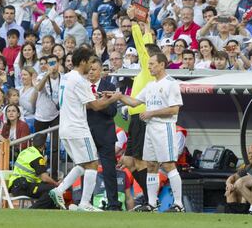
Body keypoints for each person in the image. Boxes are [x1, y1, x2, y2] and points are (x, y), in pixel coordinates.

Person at [49, 48, 120, 211]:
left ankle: (59, 190)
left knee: (83, 164)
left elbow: (85, 102)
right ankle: (85, 203)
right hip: (78, 128)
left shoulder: (66, 77)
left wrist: (97, 98)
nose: (90, 65)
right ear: (82, 62)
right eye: (89, 62)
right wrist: (113, 98)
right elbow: (95, 106)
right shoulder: (80, 80)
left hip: (65, 128)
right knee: (93, 163)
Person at [115, 53, 184, 212]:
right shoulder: (150, 85)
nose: (149, 67)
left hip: (164, 128)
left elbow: (174, 109)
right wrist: (118, 96)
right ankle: (152, 203)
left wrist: (151, 113)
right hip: (151, 129)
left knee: (168, 164)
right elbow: (134, 102)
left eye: (152, 64)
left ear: (162, 64)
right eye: (149, 64)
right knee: (151, 165)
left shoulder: (171, 84)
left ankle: (179, 204)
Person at [87, 58, 121, 210]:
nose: (91, 72)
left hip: (105, 135)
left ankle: (114, 204)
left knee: (109, 171)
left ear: (101, 70)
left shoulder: (110, 86)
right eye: (89, 69)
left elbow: (113, 111)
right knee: (87, 169)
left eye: (94, 69)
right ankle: (85, 202)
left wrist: (100, 103)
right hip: (86, 133)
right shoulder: (82, 86)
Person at [8, 133, 59, 209]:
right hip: (23, 187)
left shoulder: (25, 151)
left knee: (49, 191)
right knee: (53, 190)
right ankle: (32, 210)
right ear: (44, 145)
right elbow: (44, 178)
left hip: (16, 185)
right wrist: (56, 183)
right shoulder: (36, 157)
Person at [33, 55, 61, 180]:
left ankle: (54, 176)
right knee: (38, 146)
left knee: (55, 147)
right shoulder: (41, 76)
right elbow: (38, 88)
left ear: (59, 63)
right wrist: (47, 74)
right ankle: (39, 174)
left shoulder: (63, 78)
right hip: (41, 116)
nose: (52, 65)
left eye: (54, 62)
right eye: (50, 63)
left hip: (56, 115)